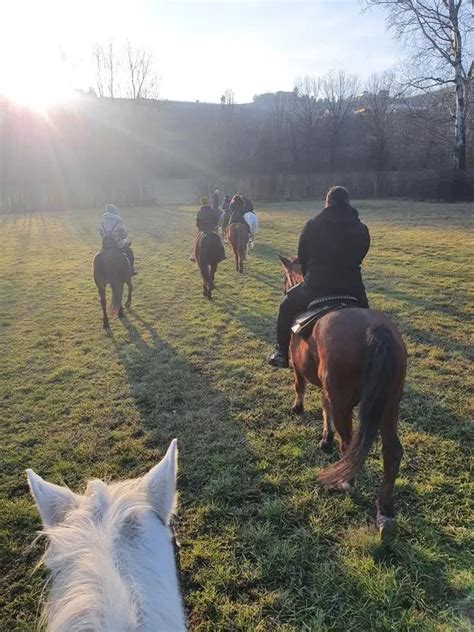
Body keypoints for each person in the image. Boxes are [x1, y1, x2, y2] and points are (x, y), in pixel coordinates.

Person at [268, 186, 370, 368]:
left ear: (328, 202)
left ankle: (282, 352)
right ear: (348, 202)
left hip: (316, 286)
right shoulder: (362, 228)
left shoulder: (313, 225)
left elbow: (303, 257)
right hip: (352, 287)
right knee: (368, 320)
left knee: (285, 307)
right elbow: (360, 255)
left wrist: (309, 275)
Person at [99, 204, 137, 275]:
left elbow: (101, 233)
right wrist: (123, 238)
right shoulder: (119, 221)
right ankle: (131, 270)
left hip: (105, 245)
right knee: (129, 252)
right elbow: (123, 235)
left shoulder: (102, 221)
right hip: (117, 244)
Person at [190, 196, 224, 261]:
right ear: (207, 202)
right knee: (219, 240)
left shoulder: (199, 212)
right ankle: (222, 254)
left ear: (201, 203)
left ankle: (194, 255)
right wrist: (215, 225)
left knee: (196, 241)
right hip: (212, 229)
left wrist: (200, 227)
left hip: (202, 229)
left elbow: (198, 222)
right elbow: (216, 220)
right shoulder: (212, 211)